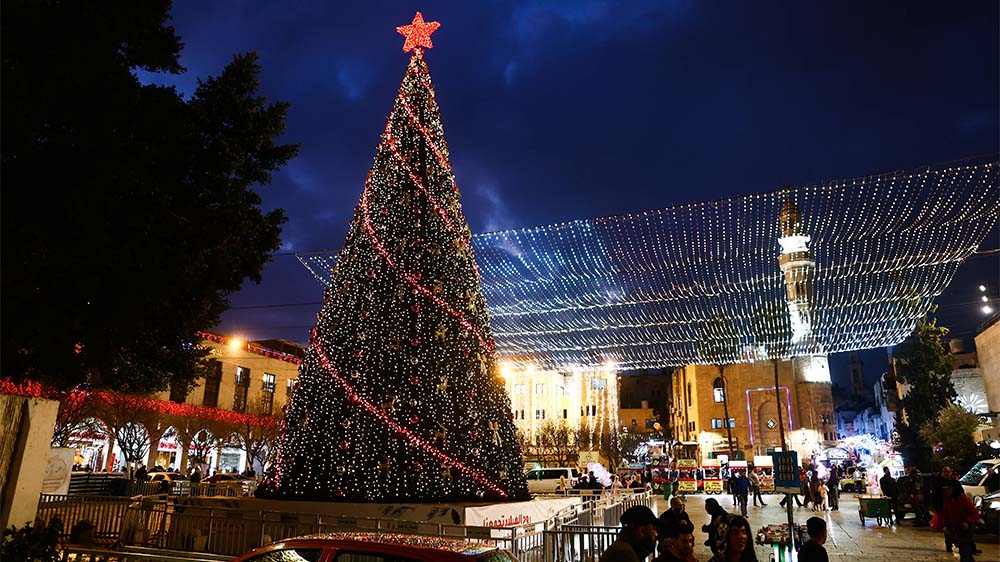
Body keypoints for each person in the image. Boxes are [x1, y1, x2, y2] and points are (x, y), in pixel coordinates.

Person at [933, 481, 979, 562]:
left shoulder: (964, 499)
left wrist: (967, 522)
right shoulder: (948, 500)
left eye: (949, 489)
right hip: (956, 529)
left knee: (964, 551)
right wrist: (946, 525)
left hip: (966, 529)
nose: (946, 491)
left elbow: (975, 513)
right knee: (964, 552)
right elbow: (946, 514)